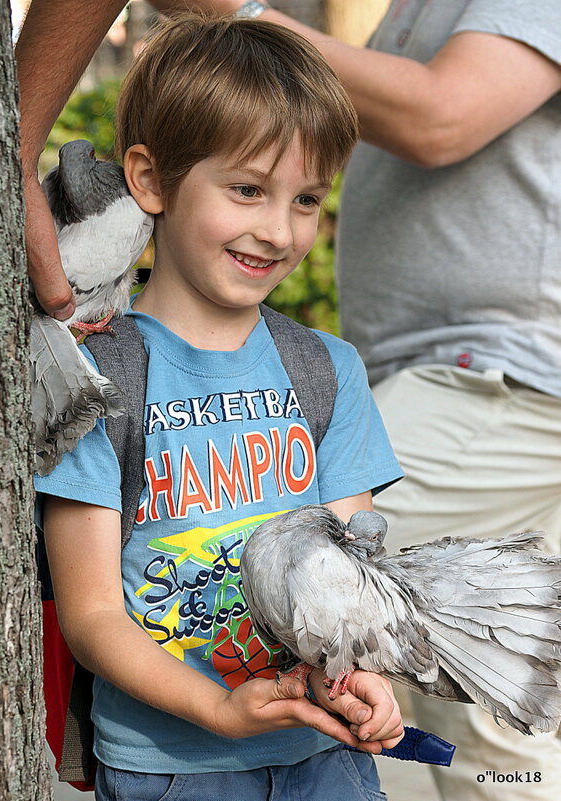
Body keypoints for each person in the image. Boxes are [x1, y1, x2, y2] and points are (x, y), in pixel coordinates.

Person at [143, 3, 561, 801]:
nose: (285, 226)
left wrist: (239, 16)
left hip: (497, 378)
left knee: (285, 561)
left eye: (306, 199)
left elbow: (441, 115)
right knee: (497, 712)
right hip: (452, 370)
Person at [34, 15, 404, 801]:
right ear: (151, 179)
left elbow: (349, 584)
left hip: (323, 760)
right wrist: (215, 707)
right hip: (168, 770)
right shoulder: (96, 379)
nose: (278, 230)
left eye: (306, 198)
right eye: (247, 189)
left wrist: (364, 680)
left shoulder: (325, 372)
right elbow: (93, 612)